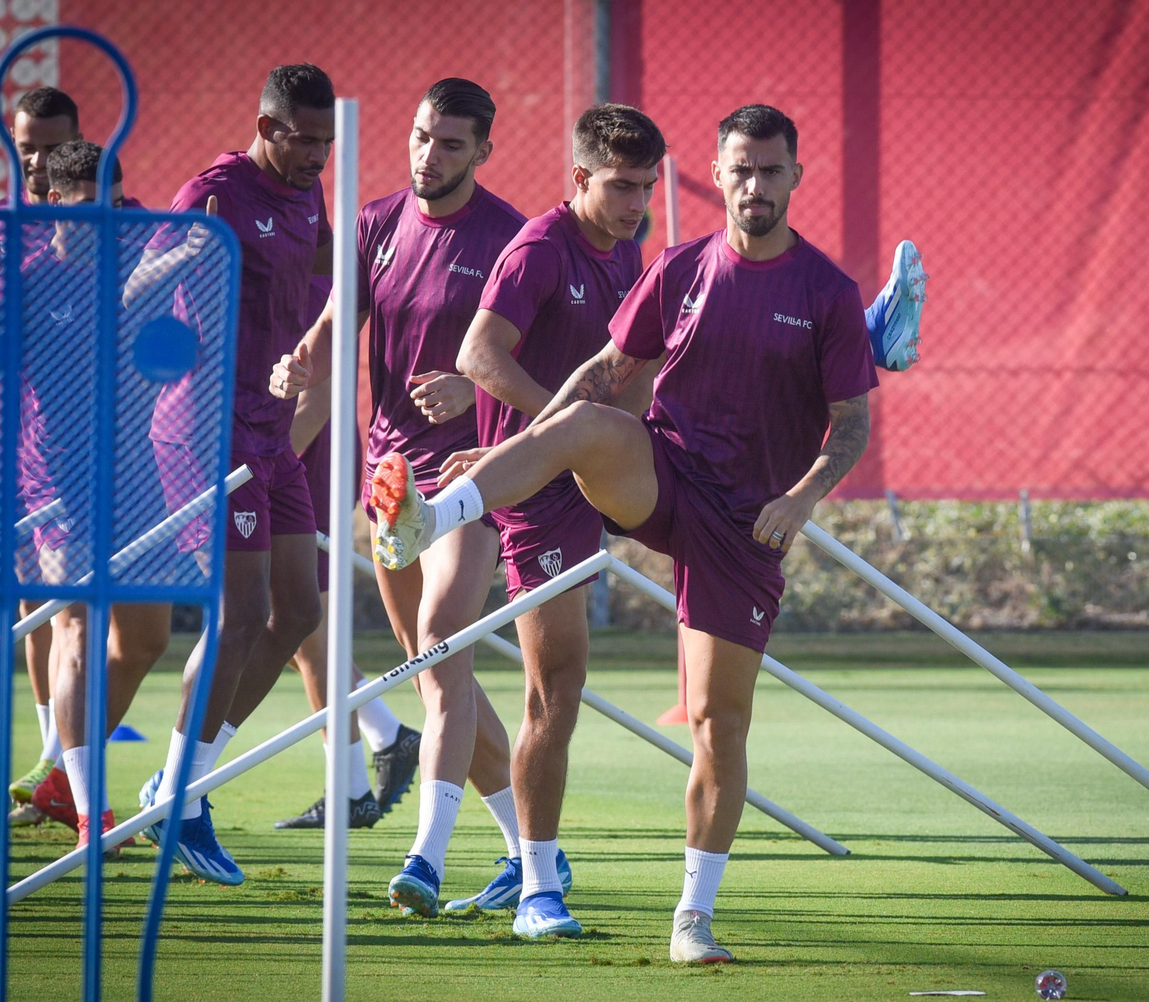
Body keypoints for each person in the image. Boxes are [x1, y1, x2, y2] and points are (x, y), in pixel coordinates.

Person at [354, 105, 876, 962]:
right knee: (587, 434)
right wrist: (521, 447)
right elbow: (602, 373)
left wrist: (803, 497)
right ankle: (433, 520)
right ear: (717, 172)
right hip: (661, 478)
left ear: (794, 178)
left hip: (747, 526)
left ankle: (691, 921)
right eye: (739, 170)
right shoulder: (677, 265)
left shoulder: (822, 291)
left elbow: (850, 426)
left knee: (718, 724)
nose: (753, 186)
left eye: (770, 171)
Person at [268, 78, 568, 917]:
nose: (427, 155)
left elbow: (536, 358)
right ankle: (529, 854)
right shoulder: (373, 224)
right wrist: (300, 364)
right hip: (388, 481)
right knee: (443, 679)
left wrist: (477, 395)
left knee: (439, 649)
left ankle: (425, 861)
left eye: (448, 144)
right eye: (419, 136)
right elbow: (335, 325)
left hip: (472, 477)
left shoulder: (513, 238)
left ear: (482, 152)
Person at [443, 103, 666, 938]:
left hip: (590, 481)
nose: (635, 201)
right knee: (549, 690)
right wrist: (559, 437)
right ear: (580, 178)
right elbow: (478, 356)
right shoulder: (540, 248)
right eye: (619, 185)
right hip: (534, 497)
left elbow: (632, 372)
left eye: (646, 186)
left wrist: (622, 437)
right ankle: (537, 886)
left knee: (547, 687)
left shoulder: (630, 250)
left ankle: (520, 869)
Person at [132, 64, 335, 887]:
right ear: (266, 124)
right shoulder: (213, 191)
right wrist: (182, 256)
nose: (319, 154)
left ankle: (175, 783)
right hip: (205, 432)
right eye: (305, 138)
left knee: (298, 612)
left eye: (328, 139)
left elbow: (313, 273)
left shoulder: (310, 192)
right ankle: (180, 802)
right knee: (240, 613)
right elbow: (134, 295)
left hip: (271, 430)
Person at [0, 139, 168, 853]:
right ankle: (90, 808)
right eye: (83, 211)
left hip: (137, 479)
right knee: (74, 626)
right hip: (56, 485)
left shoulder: (135, 266)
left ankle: (57, 784)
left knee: (145, 638)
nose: (99, 224)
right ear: (50, 202)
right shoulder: (23, 282)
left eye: (109, 210)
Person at [270, 276, 422, 831]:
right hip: (289, 462)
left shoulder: (302, 276)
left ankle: (353, 789)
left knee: (303, 633)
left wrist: (268, 466)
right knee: (292, 633)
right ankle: (387, 735)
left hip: (297, 467)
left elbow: (321, 389)